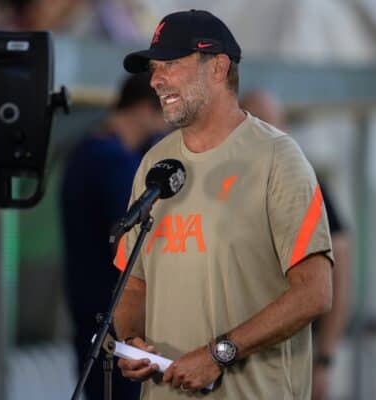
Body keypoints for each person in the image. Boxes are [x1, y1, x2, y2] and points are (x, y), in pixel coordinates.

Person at [113, 10, 334, 400]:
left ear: (217, 68)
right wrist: (131, 341)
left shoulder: (277, 158)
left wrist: (220, 353)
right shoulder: (154, 162)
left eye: (170, 64)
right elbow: (132, 286)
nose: (155, 79)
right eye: (153, 67)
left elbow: (314, 293)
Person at [60, 72, 167, 400]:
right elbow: (138, 244)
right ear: (146, 109)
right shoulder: (114, 162)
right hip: (119, 324)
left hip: (91, 317)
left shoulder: (85, 151)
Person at [240, 89, 351, 400]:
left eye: (269, 126)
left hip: (289, 359)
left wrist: (325, 359)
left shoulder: (305, 182)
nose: (261, 135)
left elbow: (337, 271)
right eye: (252, 125)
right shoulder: (225, 184)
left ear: (285, 130)